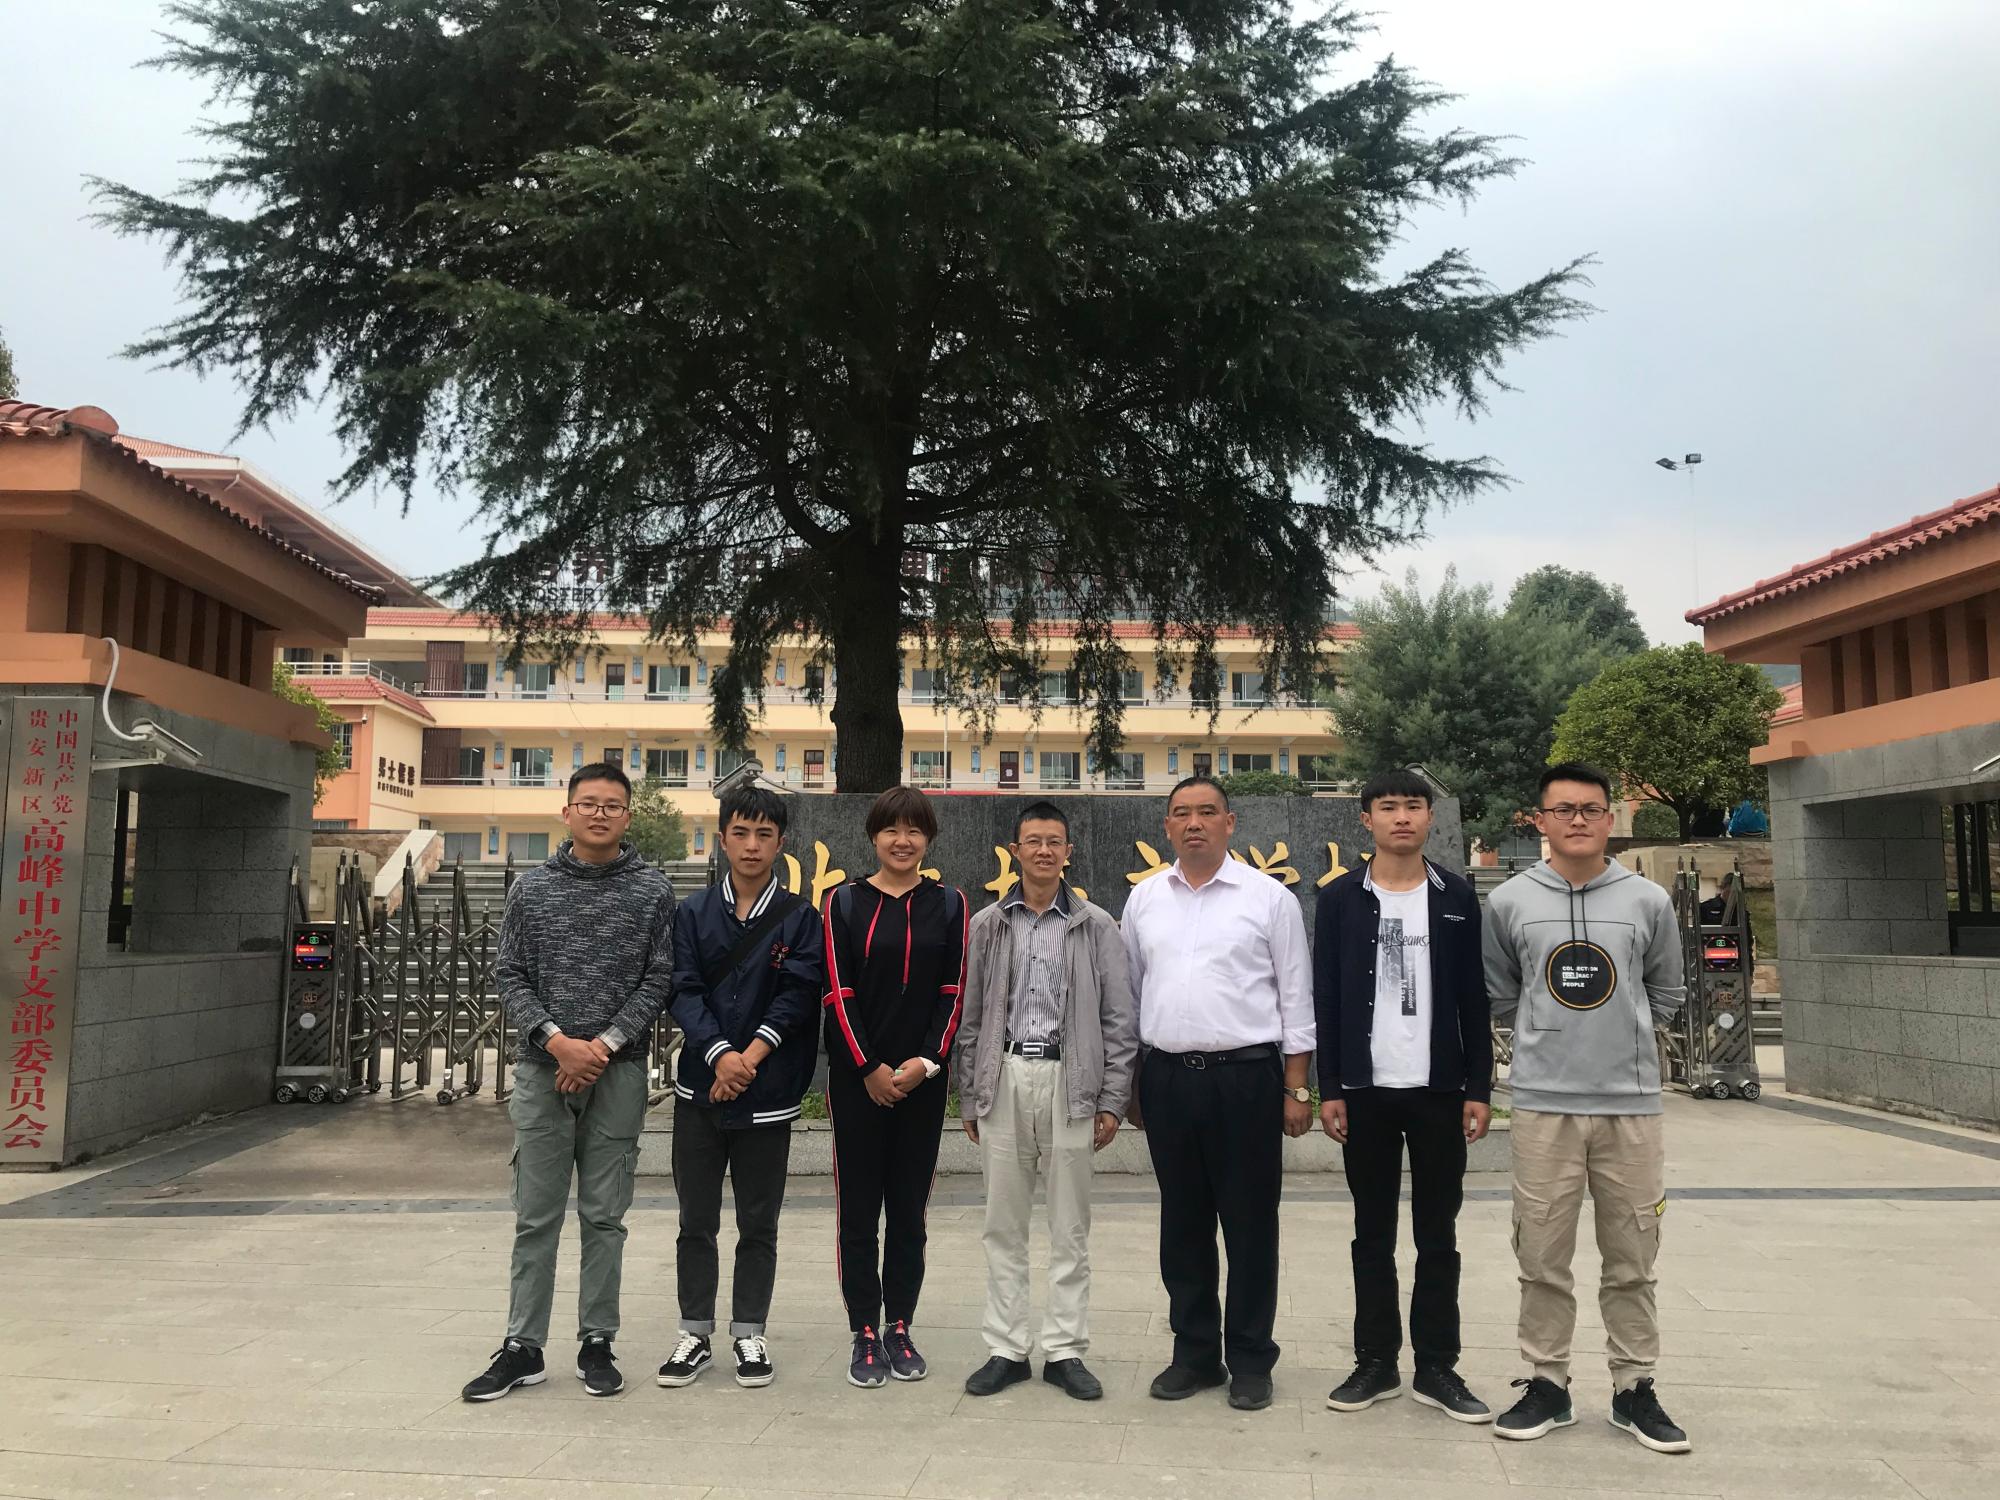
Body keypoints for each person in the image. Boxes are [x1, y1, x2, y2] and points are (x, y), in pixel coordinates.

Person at [1483, 762, 1692, 1454]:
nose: (1578, 820)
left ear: (1609, 818)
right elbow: (1501, 992)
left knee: (1633, 1254)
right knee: (1542, 1253)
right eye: (1564, 809)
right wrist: (1549, 1040)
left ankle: (1635, 1388)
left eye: (1592, 809)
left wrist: (1625, 1037)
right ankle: (1547, 1382)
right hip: (1544, 1105)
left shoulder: (1646, 901)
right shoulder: (1509, 901)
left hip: (1630, 1106)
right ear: (1539, 820)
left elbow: (1666, 991)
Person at [462, 762, 676, 1402]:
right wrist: (558, 1042)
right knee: (536, 1216)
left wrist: (603, 1046)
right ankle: (522, 1346)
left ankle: (597, 1341)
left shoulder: (652, 891)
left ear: (628, 815)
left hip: (619, 1073)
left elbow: (660, 978)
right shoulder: (531, 890)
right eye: (588, 803)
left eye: (612, 805)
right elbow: (509, 974)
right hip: (541, 1071)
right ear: (567, 812)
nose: (599, 814)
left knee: (605, 1217)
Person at [1121, 774, 1315, 1412]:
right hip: (1168, 1076)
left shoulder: (1269, 898)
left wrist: (1297, 1087)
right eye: (1182, 813)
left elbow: (1296, 997)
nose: (1194, 823)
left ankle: (1252, 1358)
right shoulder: (1145, 899)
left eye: (1208, 812)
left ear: (1230, 823)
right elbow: (1131, 996)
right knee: (1183, 1223)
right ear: (1167, 827)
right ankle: (1195, 1354)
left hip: (1247, 1078)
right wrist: (1132, 1083)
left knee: (1250, 1223)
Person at [1314, 769, 1493, 1423]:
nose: (1401, 817)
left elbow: (1473, 997)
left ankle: (1438, 1365)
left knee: (1438, 1233)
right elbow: (1327, 997)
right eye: (1387, 807)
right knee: (1372, 1232)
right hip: (1367, 1091)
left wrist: (1479, 1086)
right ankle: (1376, 1361)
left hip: (1438, 1090)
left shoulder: (1455, 896)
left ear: (1428, 818)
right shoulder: (1340, 899)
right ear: (1366, 819)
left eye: (1413, 806)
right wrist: (1331, 1087)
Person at [957, 800, 1138, 1402]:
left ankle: (1064, 1350)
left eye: (1053, 841)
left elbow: (1118, 1020)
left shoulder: (1095, 925)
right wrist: (970, 1094)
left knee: (1069, 1227)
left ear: (1068, 852)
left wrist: (1112, 1099)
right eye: (1032, 841)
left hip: (1070, 1080)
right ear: (1015, 850)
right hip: (1005, 1076)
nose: (1042, 851)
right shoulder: (988, 925)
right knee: (1002, 1226)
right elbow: (971, 1018)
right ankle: (1007, 1348)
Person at [655, 785, 824, 1392]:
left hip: (767, 1091)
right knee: (695, 1219)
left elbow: (799, 993)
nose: (752, 846)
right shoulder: (692, 913)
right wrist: (720, 1055)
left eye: (764, 835)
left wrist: (748, 1057)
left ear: (782, 843)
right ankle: (694, 1333)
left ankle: (750, 1331)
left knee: (758, 1222)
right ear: (722, 838)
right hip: (701, 1090)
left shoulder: (801, 917)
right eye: (741, 833)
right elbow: (682, 988)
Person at [822, 785, 969, 1388]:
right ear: (874, 837)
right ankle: (863, 1329)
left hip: (921, 1085)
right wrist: (869, 1068)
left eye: (914, 830)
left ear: (928, 838)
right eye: (891, 829)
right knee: (858, 1211)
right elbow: (838, 990)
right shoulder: (843, 902)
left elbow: (954, 991)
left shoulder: (951, 904)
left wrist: (926, 1063)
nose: (902, 841)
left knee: (909, 1211)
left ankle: (899, 1325)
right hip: (858, 1083)